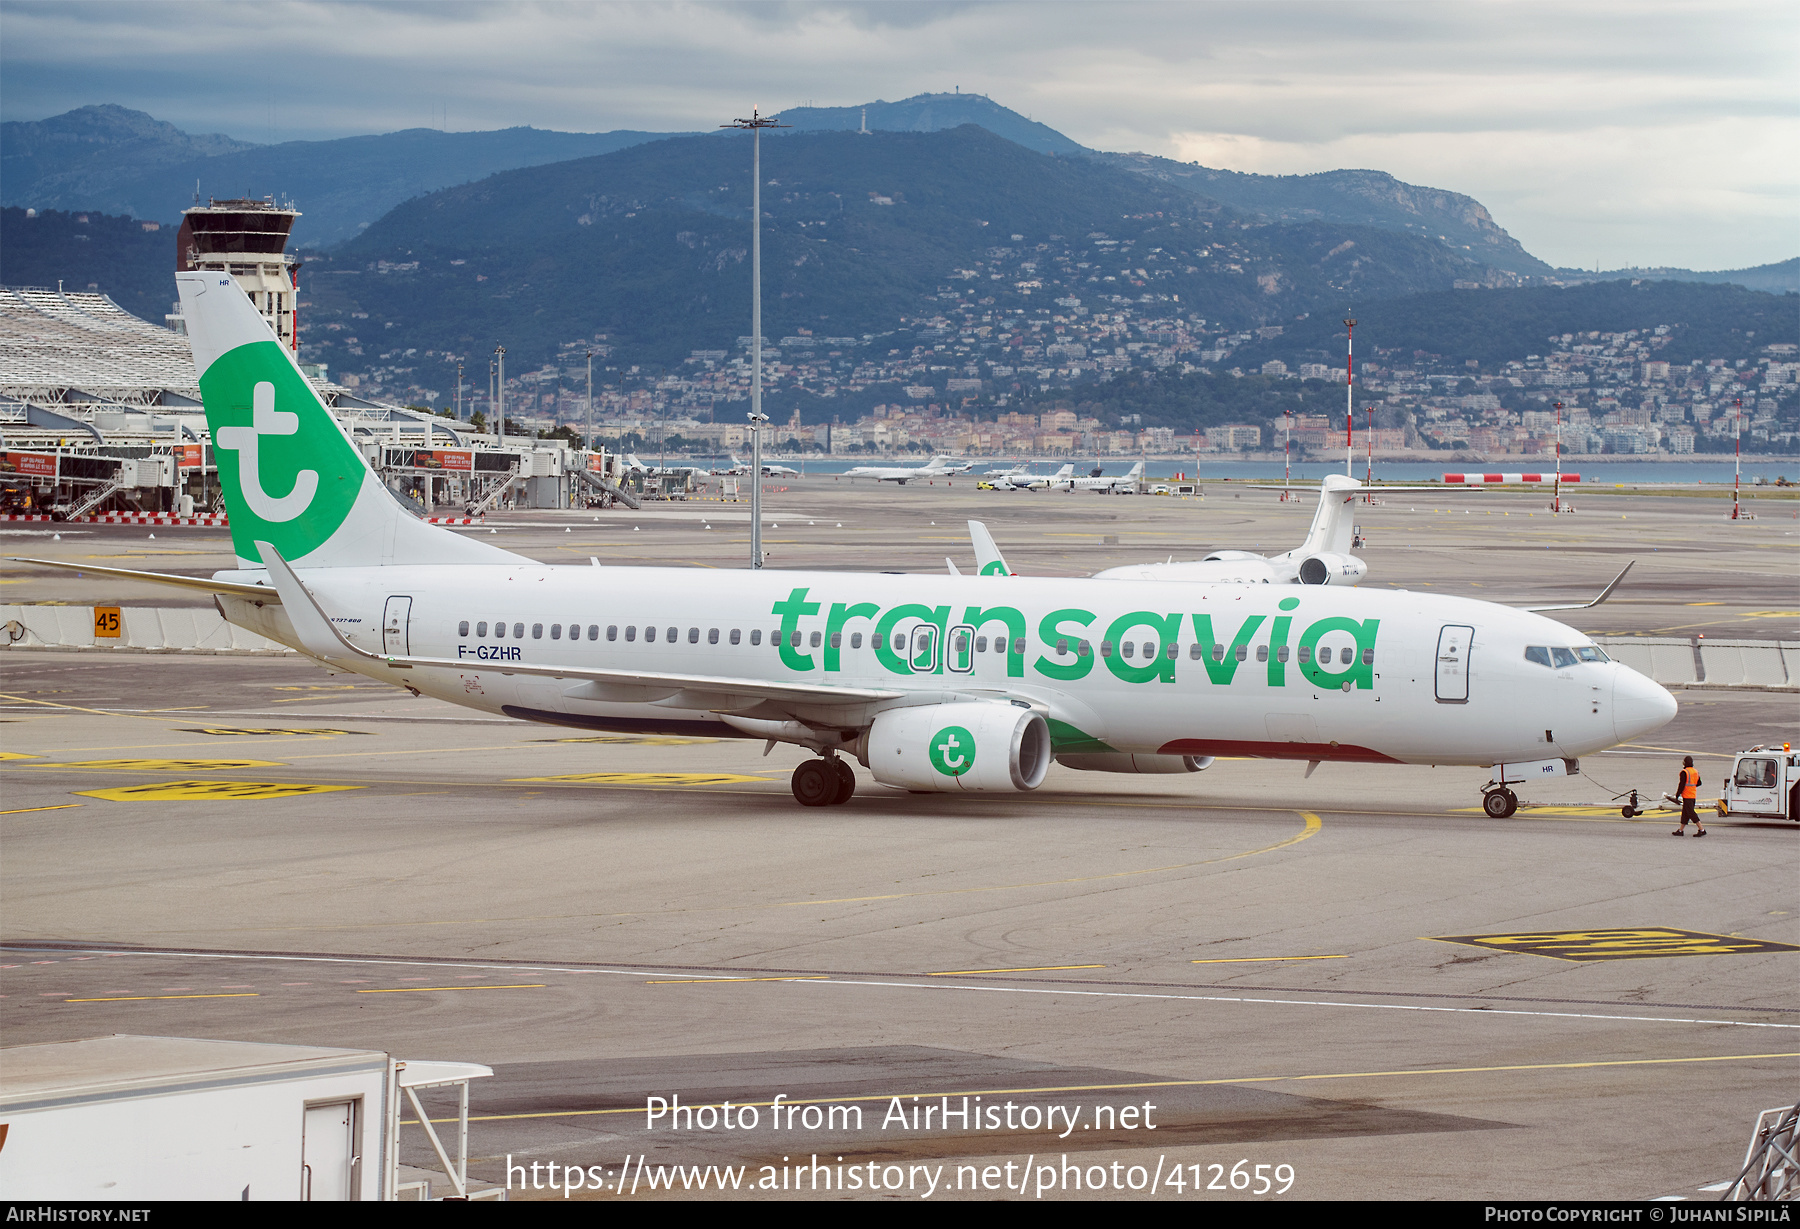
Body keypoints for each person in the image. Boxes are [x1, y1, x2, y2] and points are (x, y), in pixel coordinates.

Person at [1672, 756, 1706, 837]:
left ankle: (1702, 829)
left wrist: (1677, 794)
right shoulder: (1695, 771)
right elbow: (1699, 783)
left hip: (1687, 795)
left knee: (1691, 813)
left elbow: (1681, 785)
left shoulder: (1684, 772)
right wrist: (1692, 787)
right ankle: (1680, 830)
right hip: (1693, 795)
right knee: (1685, 814)